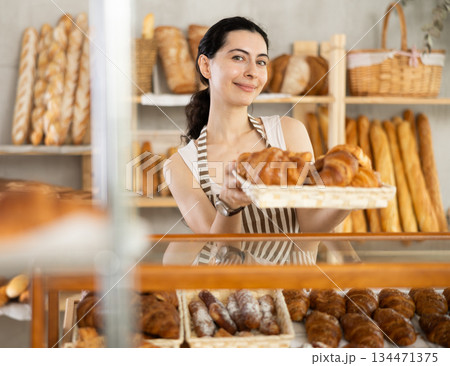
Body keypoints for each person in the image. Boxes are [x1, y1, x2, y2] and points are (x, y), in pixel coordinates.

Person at [163, 16, 349, 265]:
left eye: (261, 62)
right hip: (240, 299)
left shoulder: (288, 132)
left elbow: (310, 226)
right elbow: (223, 253)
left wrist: (348, 199)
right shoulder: (181, 165)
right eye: (238, 58)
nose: (252, 72)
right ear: (206, 66)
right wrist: (229, 205)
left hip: (297, 294)